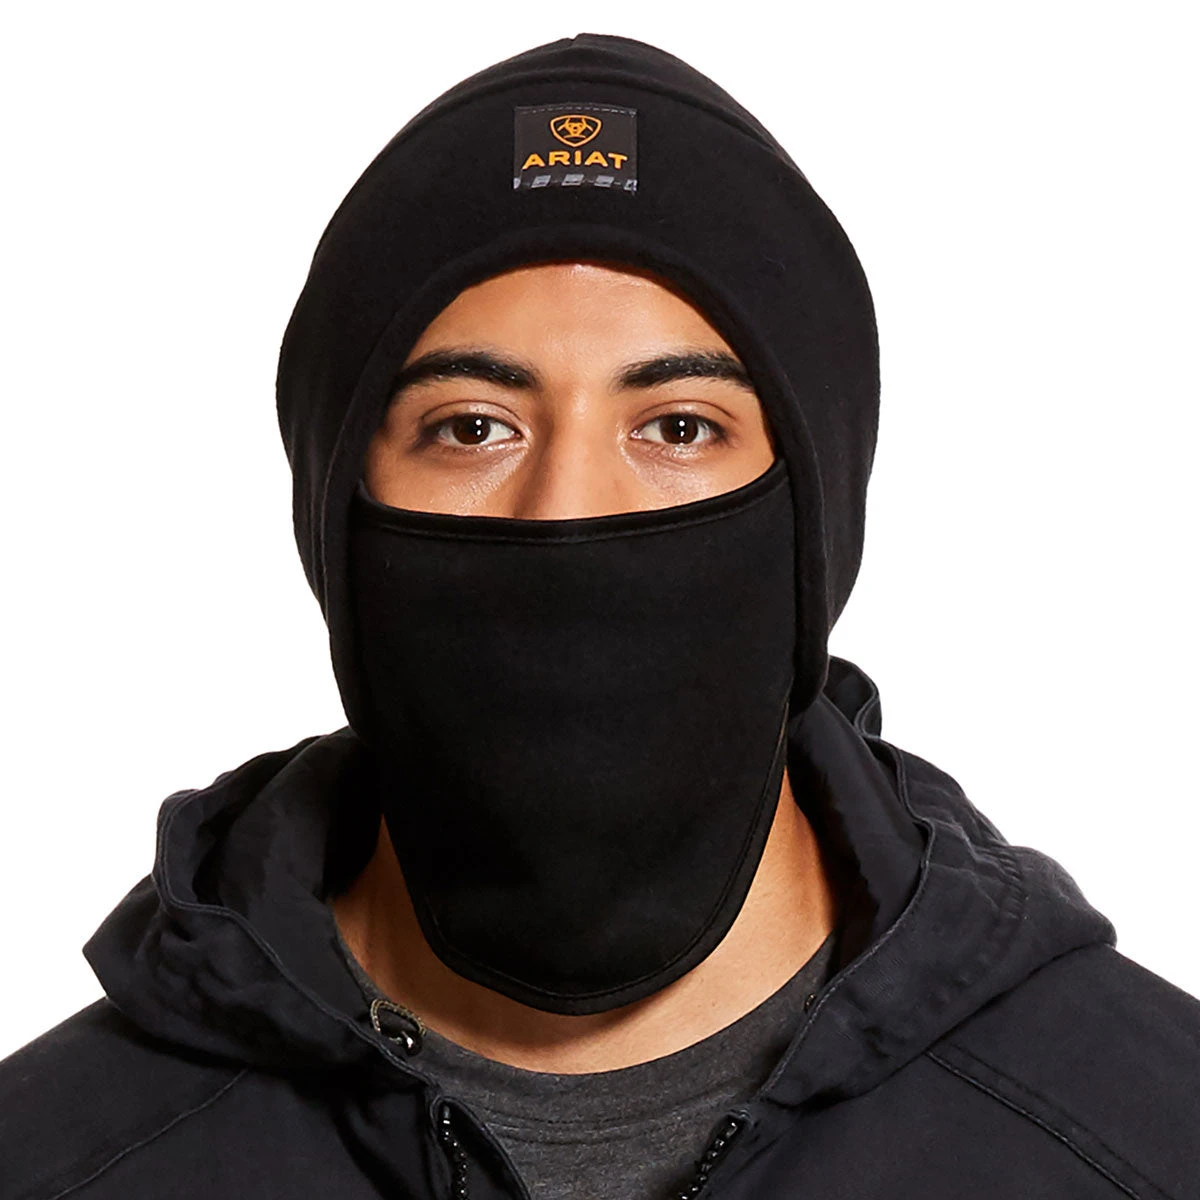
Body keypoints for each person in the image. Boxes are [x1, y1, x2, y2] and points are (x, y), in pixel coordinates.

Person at [2, 30, 1197, 1200]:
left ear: (817, 515)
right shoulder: (54, 1157)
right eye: (472, 426)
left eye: (679, 427)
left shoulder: (1149, 1139)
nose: (567, 510)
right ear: (334, 509)